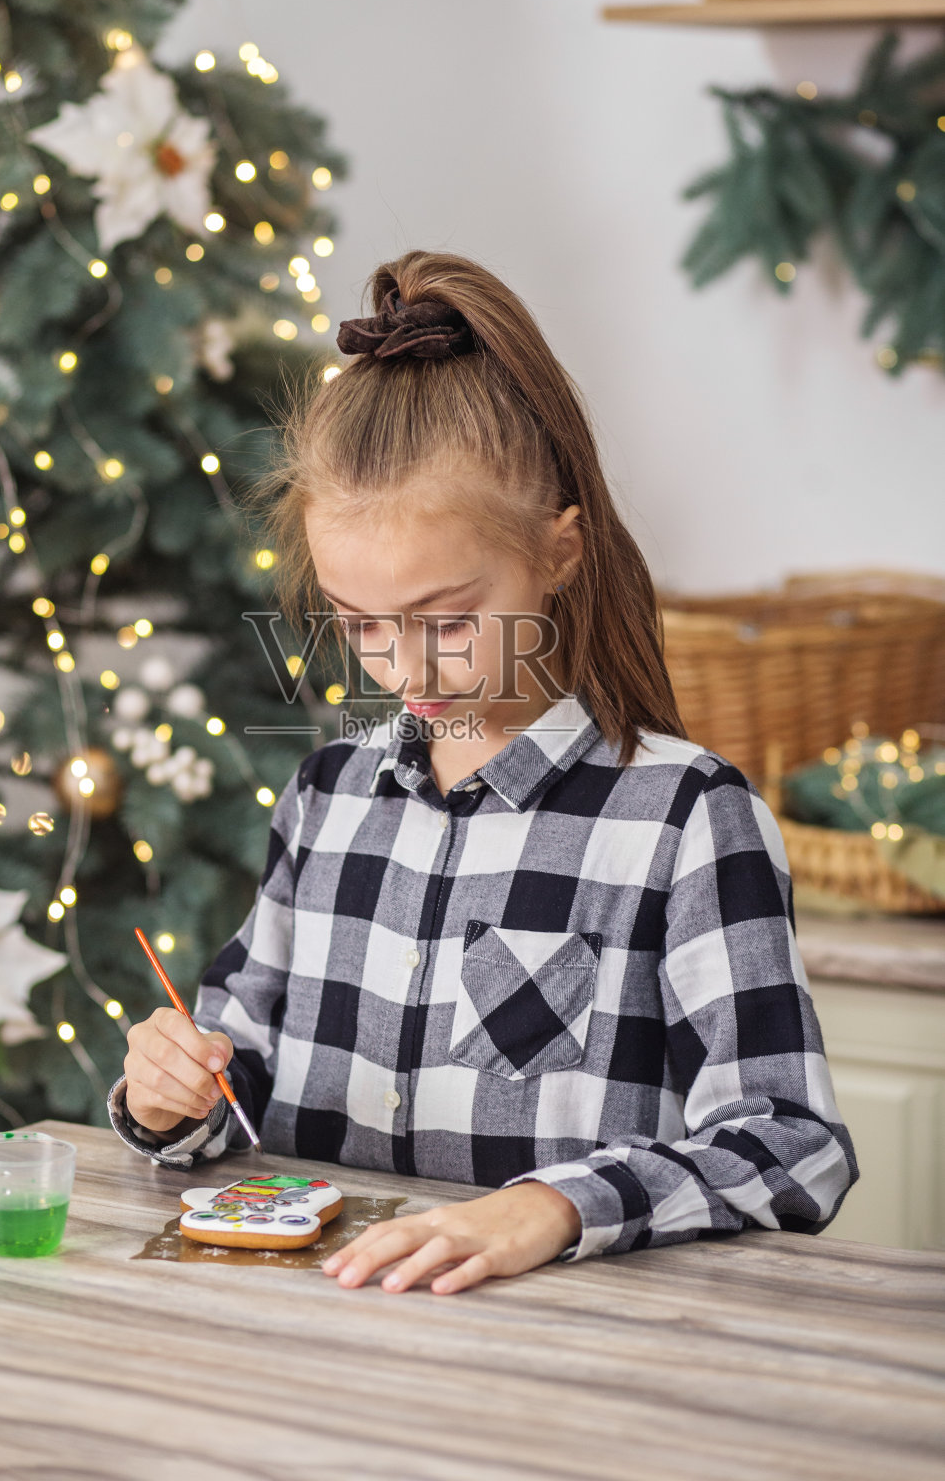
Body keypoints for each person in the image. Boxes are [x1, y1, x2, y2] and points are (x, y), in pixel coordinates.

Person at [108, 250, 857, 1295]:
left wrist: (554, 1206)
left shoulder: (682, 817)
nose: (403, 670)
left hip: (553, 1372)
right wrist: (171, 1098)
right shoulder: (327, 798)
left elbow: (790, 1142)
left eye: (448, 620)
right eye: (359, 623)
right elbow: (241, 1085)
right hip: (309, 1349)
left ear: (558, 552)